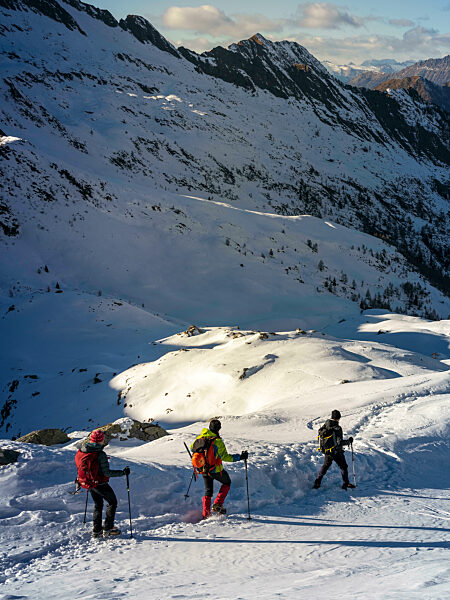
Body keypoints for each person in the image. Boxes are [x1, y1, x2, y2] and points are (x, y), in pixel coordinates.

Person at [75, 429, 130, 537]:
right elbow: (107, 472)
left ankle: (97, 530)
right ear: (101, 440)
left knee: (98, 505)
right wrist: (123, 472)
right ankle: (108, 529)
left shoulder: (82, 451)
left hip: (89, 483)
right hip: (100, 483)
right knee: (112, 503)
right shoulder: (100, 454)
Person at [191, 418, 248, 519]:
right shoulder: (217, 442)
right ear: (218, 429)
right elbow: (225, 457)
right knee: (227, 483)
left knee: (208, 491)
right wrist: (240, 457)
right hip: (216, 470)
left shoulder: (200, 438)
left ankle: (206, 515)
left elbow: (192, 448)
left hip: (203, 469)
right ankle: (217, 504)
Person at [313, 410, 355, 490]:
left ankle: (317, 482)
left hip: (327, 451)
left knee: (325, 466)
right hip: (337, 452)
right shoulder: (337, 428)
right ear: (338, 418)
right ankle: (345, 484)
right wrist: (349, 441)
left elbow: (320, 433)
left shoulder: (326, 424)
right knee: (343, 467)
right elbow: (339, 443)